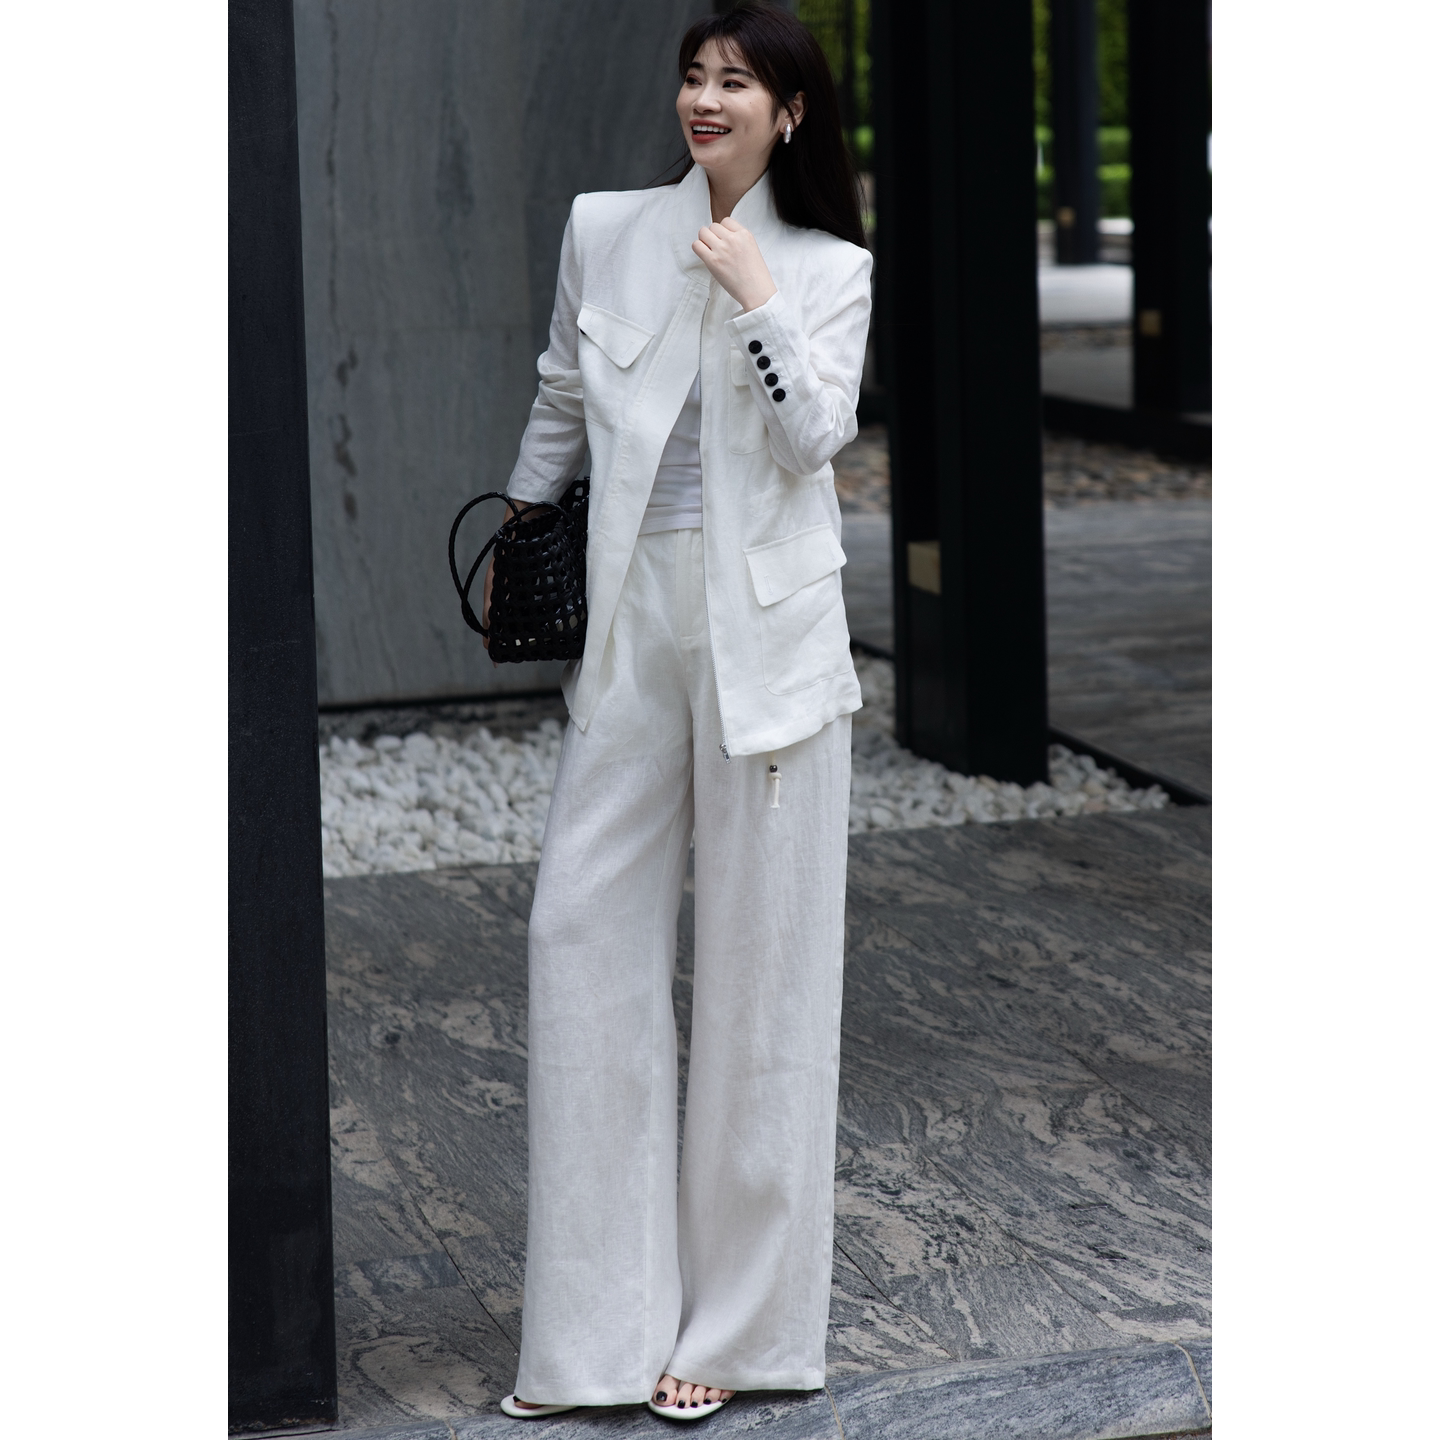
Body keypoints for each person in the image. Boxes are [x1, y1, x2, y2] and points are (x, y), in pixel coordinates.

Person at [491, 3, 871, 1422]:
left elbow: (818, 437)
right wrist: (520, 524)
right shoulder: (605, 228)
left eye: (739, 83)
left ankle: (741, 1332)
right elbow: (560, 392)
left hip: (771, 636)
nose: (707, 100)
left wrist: (757, 296)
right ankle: (591, 1337)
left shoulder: (828, 266)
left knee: (769, 979)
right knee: (576, 927)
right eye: (696, 77)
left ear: (791, 113)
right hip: (632, 619)